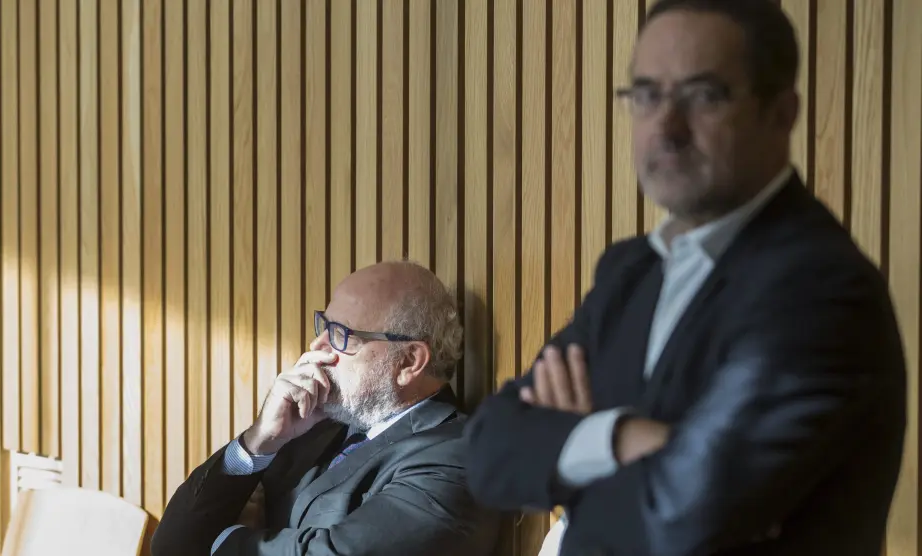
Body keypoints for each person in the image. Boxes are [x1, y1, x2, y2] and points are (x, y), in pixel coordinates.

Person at [464, 1, 906, 555]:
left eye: (703, 95)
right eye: (648, 95)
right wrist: (620, 437)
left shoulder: (821, 292)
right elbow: (486, 453)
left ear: (782, 113)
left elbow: (685, 523)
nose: (667, 128)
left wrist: (569, 459)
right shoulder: (631, 272)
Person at [152, 261, 499, 556]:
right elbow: (172, 546)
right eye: (324, 326)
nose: (317, 347)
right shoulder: (314, 426)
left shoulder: (458, 457)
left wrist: (223, 540)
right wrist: (259, 442)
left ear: (409, 361)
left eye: (341, 334)